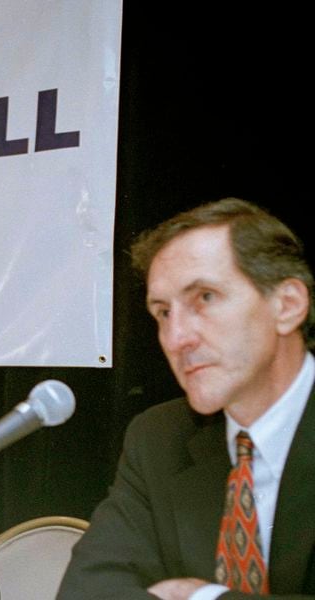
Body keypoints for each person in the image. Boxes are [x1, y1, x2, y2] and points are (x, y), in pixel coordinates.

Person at [58, 198, 315, 599]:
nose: (177, 338)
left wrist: (203, 597)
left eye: (205, 298)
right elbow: (86, 590)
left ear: (287, 305)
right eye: (162, 312)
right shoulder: (160, 437)